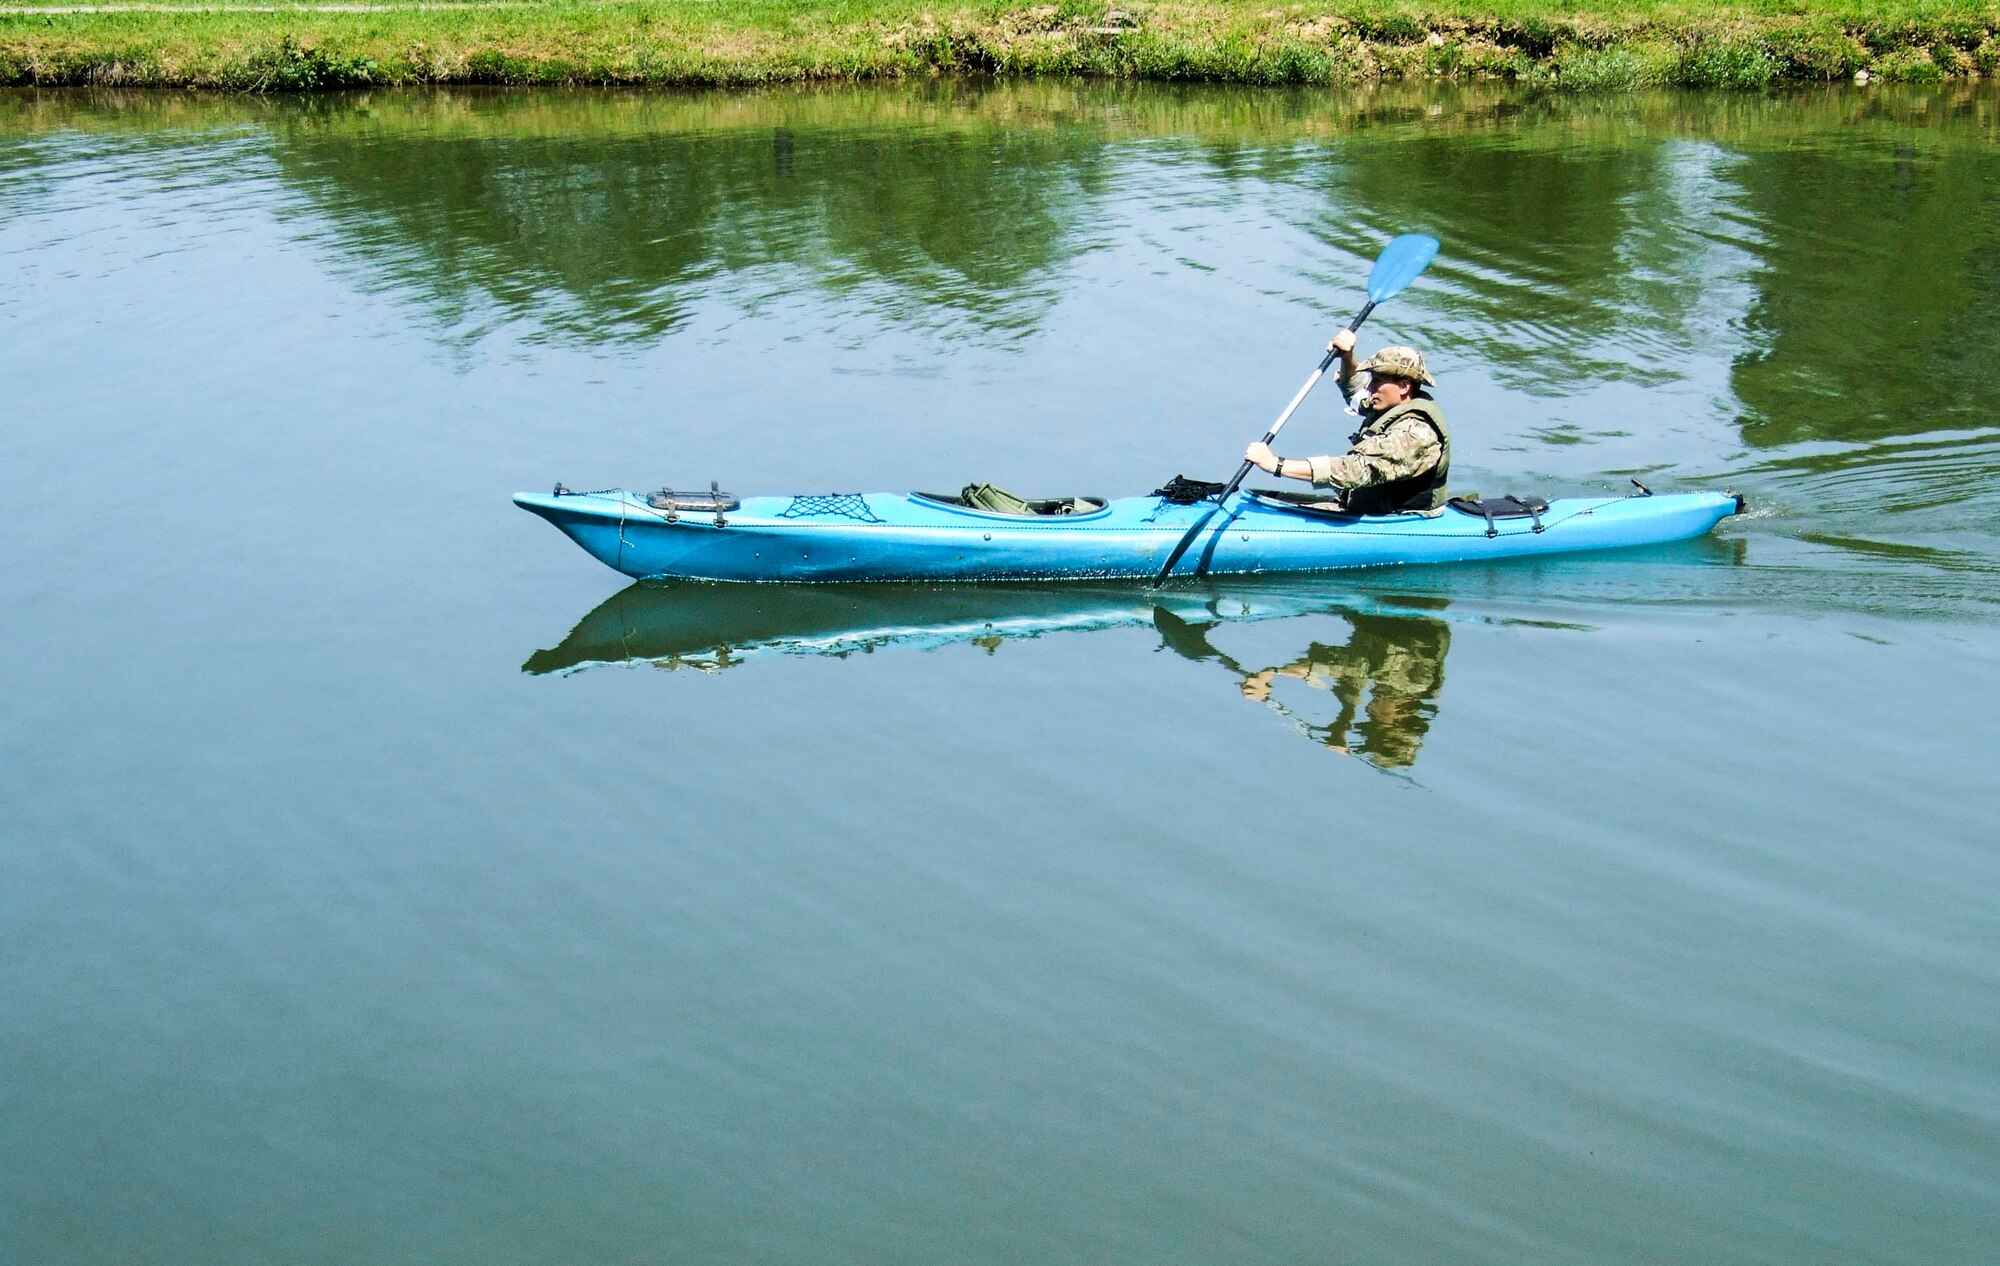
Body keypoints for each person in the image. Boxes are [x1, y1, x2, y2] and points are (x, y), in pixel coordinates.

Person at [1244, 330, 1450, 515]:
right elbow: (1356, 393)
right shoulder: (1391, 404)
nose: (1370, 388)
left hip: (1398, 521)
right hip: (1368, 509)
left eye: (1377, 381)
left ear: (1404, 386)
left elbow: (1355, 470)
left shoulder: (1415, 434)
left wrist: (1277, 465)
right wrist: (1347, 357)